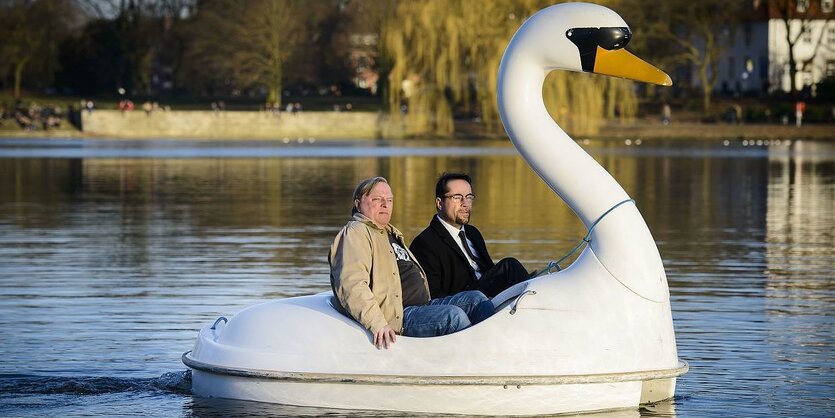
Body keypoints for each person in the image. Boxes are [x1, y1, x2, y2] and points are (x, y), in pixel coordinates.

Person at [329, 176, 493, 349]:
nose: (385, 204)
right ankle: (478, 356)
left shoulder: (389, 233)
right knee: (453, 316)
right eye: (377, 199)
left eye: (389, 200)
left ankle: (497, 346)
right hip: (399, 315)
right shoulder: (356, 232)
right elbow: (351, 285)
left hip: (423, 305)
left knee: (476, 299)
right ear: (358, 203)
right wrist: (377, 323)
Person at [410, 173, 531, 299]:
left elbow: (490, 272)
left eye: (468, 197)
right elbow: (431, 295)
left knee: (531, 279)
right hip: (462, 304)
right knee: (509, 266)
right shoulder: (424, 243)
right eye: (457, 197)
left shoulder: (473, 233)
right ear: (440, 203)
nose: (465, 204)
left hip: (490, 297)